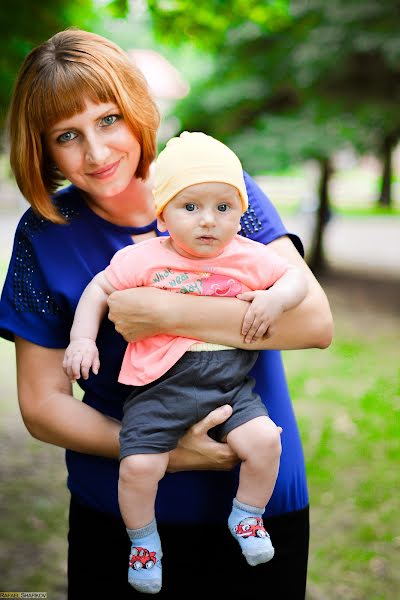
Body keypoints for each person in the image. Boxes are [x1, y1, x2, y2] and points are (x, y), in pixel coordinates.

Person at [0, 29, 333, 599]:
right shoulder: (46, 232)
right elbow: (42, 406)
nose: (98, 153)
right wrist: (172, 453)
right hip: (121, 517)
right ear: (43, 148)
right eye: (67, 135)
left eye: (108, 120)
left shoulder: (213, 186)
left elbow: (312, 323)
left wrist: (164, 311)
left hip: (260, 499)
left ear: (136, 109)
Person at [62, 131, 309, 593]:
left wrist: (275, 300)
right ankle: (143, 541)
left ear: (240, 211)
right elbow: (99, 287)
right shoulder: (145, 259)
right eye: (190, 207)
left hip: (230, 389)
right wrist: (82, 339)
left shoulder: (250, 258)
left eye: (223, 207)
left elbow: (298, 282)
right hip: (159, 388)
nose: (208, 221)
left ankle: (248, 516)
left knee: (265, 442)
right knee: (138, 467)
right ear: (163, 214)